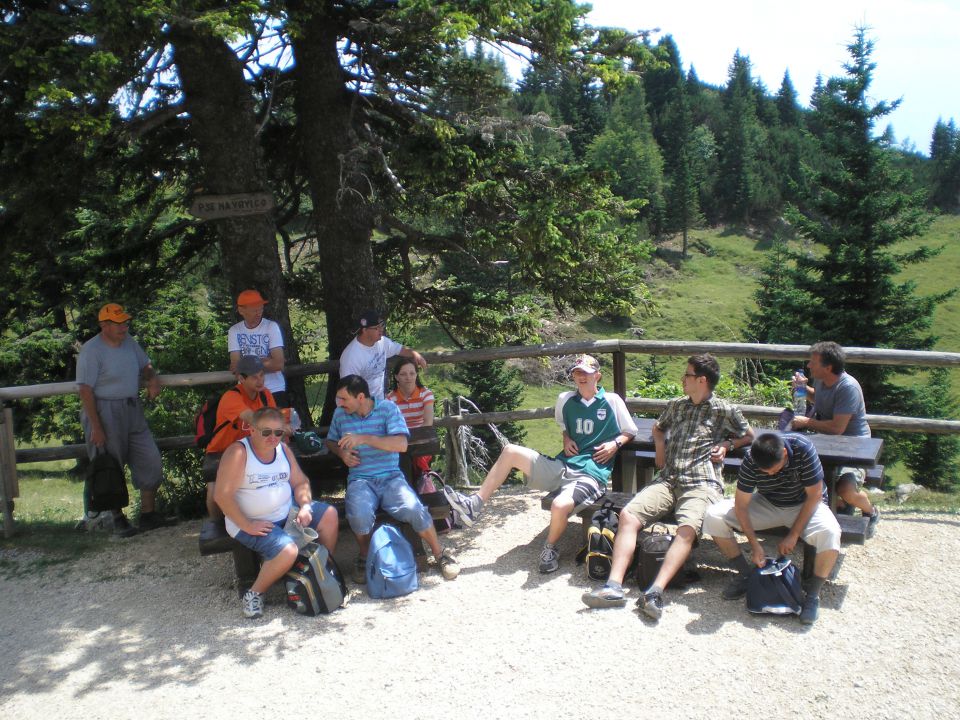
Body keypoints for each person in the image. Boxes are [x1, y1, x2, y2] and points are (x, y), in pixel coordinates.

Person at [581, 354, 753, 620]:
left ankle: (654, 593)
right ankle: (613, 587)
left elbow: (748, 435)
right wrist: (660, 446)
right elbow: (659, 429)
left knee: (687, 529)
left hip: (701, 483)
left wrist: (728, 445)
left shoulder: (725, 410)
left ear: (702, 380)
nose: (682, 379)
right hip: (668, 479)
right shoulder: (677, 406)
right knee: (628, 515)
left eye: (687, 375)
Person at [444, 354, 638, 574]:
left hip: (591, 475)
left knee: (559, 505)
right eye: (577, 372)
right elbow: (564, 424)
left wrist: (614, 444)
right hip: (563, 465)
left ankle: (550, 547)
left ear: (598, 376)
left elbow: (630, 431)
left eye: (586, 372)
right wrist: (566, 437)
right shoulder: (565, 399)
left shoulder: (612, 401)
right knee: (510, 451)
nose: (581, 376)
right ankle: (474, 505)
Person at [325, 375, 459, 586]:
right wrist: (341, 454)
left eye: (343, 399)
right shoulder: (340, 414)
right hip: (361, 480)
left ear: (360, 397)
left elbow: (401, 444)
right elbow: (331, 440)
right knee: (358, 514)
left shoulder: (388, 409)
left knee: (415, 509)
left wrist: (364, 438)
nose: (340, 404)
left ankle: (440, 554)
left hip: (391, 478)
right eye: (338, 400)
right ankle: (365, 556)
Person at [702, 432, 841, 625]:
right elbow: (741, 505)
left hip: (805, 504)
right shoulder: (752, 458)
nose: (769, 474)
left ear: (784, 453)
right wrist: (754, 545)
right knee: (713, 516)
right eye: (765, 472)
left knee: (831, 533)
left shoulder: (802, 447)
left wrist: (794, 535)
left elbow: (815, 495)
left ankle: (813, 595)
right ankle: (746, 575)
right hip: (768, 502)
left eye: (773, 470)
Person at [215, 407, 338, 619]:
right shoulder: (239, 453)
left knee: (329, 515)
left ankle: (321, 572)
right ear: (251, 430)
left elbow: (300, 482)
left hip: (286, 513)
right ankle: (254, 593)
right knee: (287, 550)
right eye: (266, 432)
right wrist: (246, 524)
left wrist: (306, 505)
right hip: (249, 521)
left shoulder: (283, 450)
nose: (273, 438)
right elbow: (222, 496)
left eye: (278, 433)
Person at [76, 303, 170, 536]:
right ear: (104, 325)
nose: (124, 327)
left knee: (151, 459)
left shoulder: (129, 342)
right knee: (110, 464)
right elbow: (85, 391)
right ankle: (116, 518)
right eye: (118, 323)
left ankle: (148, 514)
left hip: (131, 407)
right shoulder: (92, 350)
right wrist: (96, 427)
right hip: (104, 410)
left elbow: (145, 364)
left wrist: (151, 378)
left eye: (125, 322)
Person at [790, 341, 879, 536]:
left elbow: (837, 428)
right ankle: (830, 513)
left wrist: (806, 422)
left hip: (854, 447)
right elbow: (820, 399)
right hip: (827, 443)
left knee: (845, 490)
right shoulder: (821, 381)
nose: (809, 366)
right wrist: (803, 390)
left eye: (813, 362)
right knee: (803, 479)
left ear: (828, 367)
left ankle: (870, 512)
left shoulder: (848, 387)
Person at [202, 355, 279, 522]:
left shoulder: (265, 395)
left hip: (250, 449)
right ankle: (217, 525)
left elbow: (275, 423)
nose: (260, 381)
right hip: (221, 451)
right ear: (241, 378)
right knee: (215, 490)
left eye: (262, 375)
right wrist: (280, 426)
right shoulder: (231, 397)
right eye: (254, 377)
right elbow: (254, 419)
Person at [339, 310, 426, 400]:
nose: (381, 330)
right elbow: (347, 391)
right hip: (361, 407)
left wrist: (416, 355)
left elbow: (400, 349)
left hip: (379, 403)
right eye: (376, 328)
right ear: (365, 330)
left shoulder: (382, 342)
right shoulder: (351, 357)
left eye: (382, 325)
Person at [228, 289, 288, 407]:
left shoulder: (271, 327)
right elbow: (235, 367)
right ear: (241, 310)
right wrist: (264, 362)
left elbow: (279, 364)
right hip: (248, 392)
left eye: (260, 309)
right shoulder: (234, 331)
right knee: (250, 425)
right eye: (254, 310)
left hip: (274, 390)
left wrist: (247, 365)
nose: (258, 313)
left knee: (276, 425)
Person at [386, 357, 436, 480]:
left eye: (412, 373)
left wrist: (413, 441)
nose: (408, 377)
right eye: (403, 374)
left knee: (418, 460)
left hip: (421, 439)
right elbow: (390, 426)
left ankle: (421, 487)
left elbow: (428, 422)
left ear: (416, 375)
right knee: (403, 460)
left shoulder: (426, 394)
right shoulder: (389, 399)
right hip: (400, 441)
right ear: (396, 377)